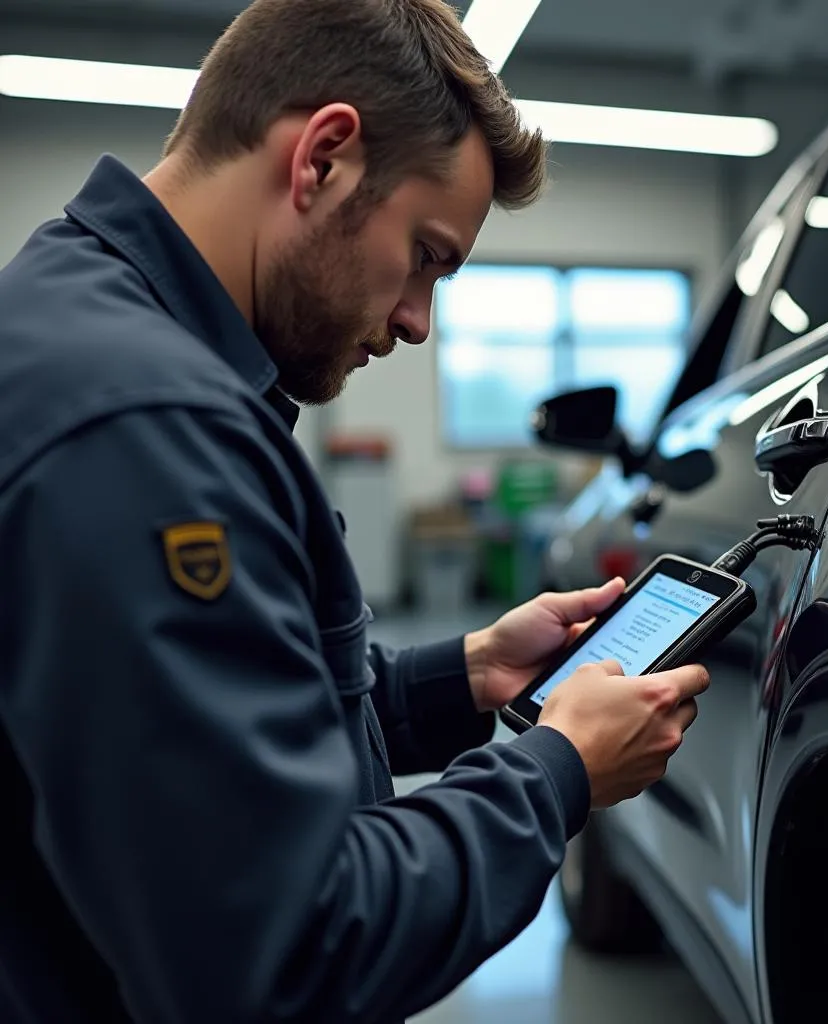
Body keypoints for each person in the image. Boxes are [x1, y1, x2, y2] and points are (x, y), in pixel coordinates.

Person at [0, 1, 710, 1021]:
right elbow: (287, 954)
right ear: (322, 158)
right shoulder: (149, 428)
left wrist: (456, 678)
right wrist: (555, 772)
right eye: (425, 254)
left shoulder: (77, 320)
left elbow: (202, 738)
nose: (419, 320)